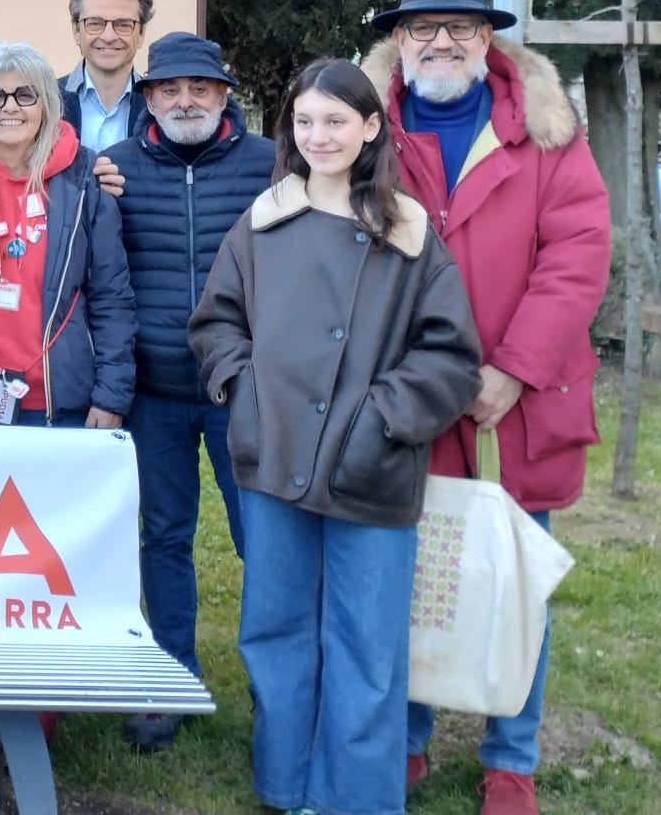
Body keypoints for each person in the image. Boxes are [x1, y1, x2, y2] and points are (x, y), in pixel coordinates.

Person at [190, 57, 482, 815]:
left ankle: (354, 797)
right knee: (276, 630)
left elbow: (450, 355)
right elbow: (217, 322)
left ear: (371, 128)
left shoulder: (409, 233)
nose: (319, 135)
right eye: (306, 120)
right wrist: (243, 391)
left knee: (366, 645)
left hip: (371, 464)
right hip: (276, 455)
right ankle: (286, 784)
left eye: (337, 120)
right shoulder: (262, 223)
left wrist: (386, 417)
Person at [363, 0, 610, 815]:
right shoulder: (366, 131)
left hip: (518, 402)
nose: (442, 42)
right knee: (410, 571)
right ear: (399, 39)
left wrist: (511, 368)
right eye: (424, 27)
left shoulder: (545, 131)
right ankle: (405, 735)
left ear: (486, 40)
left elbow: (577, 253)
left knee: (514, 576)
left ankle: (512, 755)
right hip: (405, 396)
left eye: (460, 28)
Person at [0, 41, 137, 755]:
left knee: (44, 557)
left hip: (59, 398)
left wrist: (113, 390)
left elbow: (112, 292)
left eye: (26, 96)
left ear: (49, 105)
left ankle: (40, 691)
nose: (10, 109)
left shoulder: (83, 181)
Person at [101, 31, 276, 752]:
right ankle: (170, 675)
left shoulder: (272, 164)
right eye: (169, 89)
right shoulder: (114, 170)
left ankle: (279, 686)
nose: (184, 101)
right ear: (148, 99)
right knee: (164, 537)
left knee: (262, 541)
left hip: (246, 390)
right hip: (155, 391)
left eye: (199, 88)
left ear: (223, 95)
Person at [62, 0, 154, 155]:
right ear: (76, 31)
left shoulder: (158, 107)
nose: (109, 36)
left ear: (142, 33)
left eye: (123, 25)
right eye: (95, 23)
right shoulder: (47, 102)